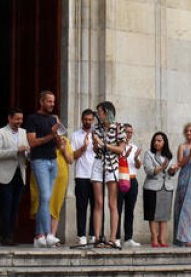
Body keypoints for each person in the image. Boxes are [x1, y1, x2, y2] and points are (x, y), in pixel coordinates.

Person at [23, 90, 61, 248]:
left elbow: (57, 143)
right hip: (39, 161)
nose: (52, 104)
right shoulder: (33, 118)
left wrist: (59, 139)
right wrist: (51, 136)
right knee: (45, 196)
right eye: (49, 101)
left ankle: (39, 236)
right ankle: (47, 233)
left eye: (53, 102)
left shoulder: (53, 119)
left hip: (53, 161)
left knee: (46, 199)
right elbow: (32, 142)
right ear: (41, 102)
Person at [90, 101, 125, 248]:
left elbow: (121, 149)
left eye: (101, 112)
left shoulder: (118, 127)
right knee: (98, 203)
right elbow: (95, 150)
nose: (98, 115)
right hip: (99, 163)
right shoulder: (96, 128)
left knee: (112, 203)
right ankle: (97, 237)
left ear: (107, 112)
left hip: (112, 164)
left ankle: (112, 238)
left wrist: (105, 145)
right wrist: (96, 145)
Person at [29, 125, 73, 244]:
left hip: (60, 177)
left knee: (55, 205)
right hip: (43, 175)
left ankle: (52, 236)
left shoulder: (65, 141)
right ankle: (41, 235)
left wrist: (63, 149)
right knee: (43, 201)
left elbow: (70, 160)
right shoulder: (42, 140)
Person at [0, 108, 28, 246]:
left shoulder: (24, 132)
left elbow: (27, 152)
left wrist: (27, 153)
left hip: (20, 173)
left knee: (15, 206)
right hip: (6, 175)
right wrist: (16, 150)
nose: (19, 122)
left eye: (21, 119)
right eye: (17, 118)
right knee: (6, 205)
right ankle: (4, 236)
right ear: (10, 118)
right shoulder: (0, 132)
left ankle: (11, 235)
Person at [142, 131, 176, 248]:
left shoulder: (170, 156)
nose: (156, 143)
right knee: (153, 215)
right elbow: (149, 171)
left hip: (166, 187)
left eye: (159, 141)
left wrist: (172, 170)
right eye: (155, 141)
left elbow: (171, 174)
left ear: (164, 142)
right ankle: (154, 238)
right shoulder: (149, 154)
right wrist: (161, 167)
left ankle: (162, 238)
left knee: (164, 215)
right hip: (152, 187)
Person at [69, 108, 96, 244]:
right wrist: (83, 148)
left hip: (96, 175)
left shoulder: (96, 134)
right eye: (85, 119)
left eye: (90, 120)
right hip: (81, 175)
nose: (87, 122)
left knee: (96, 205)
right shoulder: (75, 135)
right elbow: (73, 155)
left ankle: (93, 234)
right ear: (81, 119)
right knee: (81, 205)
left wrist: (95, 143)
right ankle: (81, 235)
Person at [116, 123, 143, 247]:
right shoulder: (117, 146)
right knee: (117, 209)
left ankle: (128, 238)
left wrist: (136, 158)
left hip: (132, 180)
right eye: (127, 132)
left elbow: (137, 166)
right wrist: (124, 156)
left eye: (131, 132)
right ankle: (116, 237)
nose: (129, 134)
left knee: (129, 210)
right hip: (120, 179)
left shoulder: (134, 147)